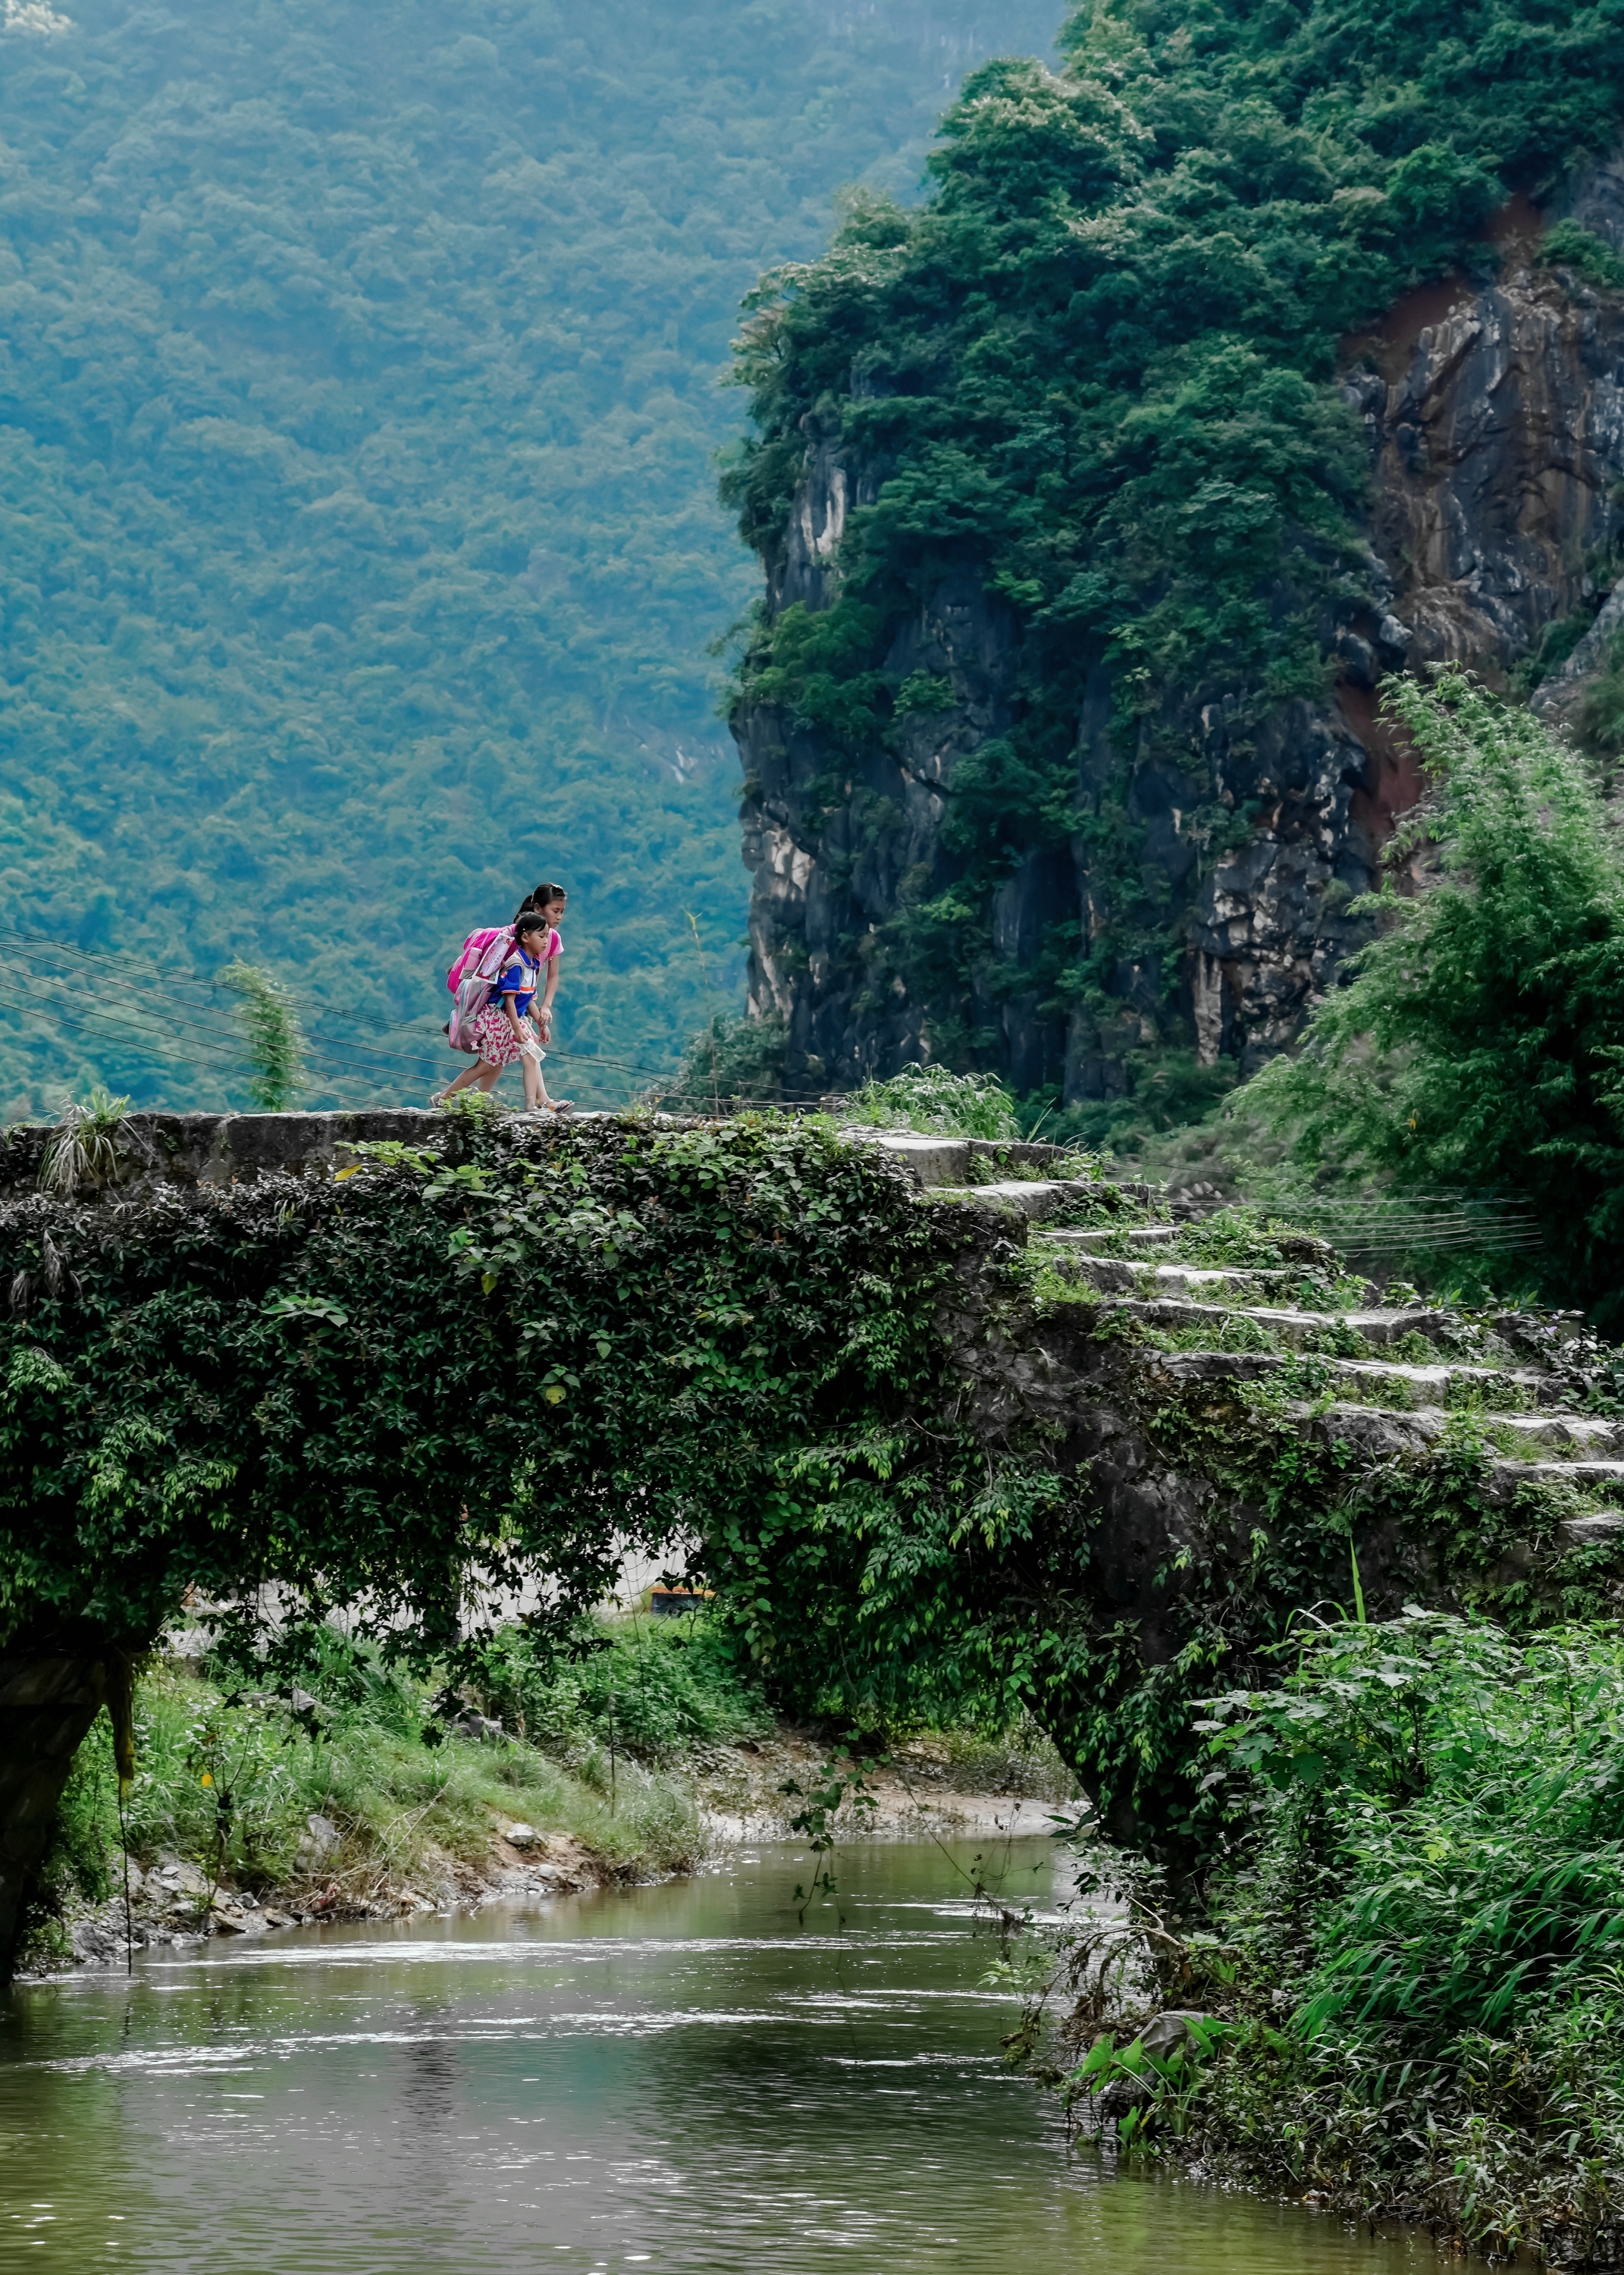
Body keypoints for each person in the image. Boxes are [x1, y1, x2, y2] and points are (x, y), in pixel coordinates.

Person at [433, 906, 572, 1114]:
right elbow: (509, 999)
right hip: (500, 1019)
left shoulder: (532, 964)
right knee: (486, 1066)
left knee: (528, 1056)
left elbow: (528, 998)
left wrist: (541, 1025)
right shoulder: (516, 964)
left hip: (513, 1019)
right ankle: (445, 1097)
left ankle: (532, 1105)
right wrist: (517, 1027)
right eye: (542, 936)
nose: (546, 941)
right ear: (525, 937)